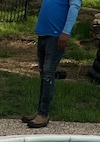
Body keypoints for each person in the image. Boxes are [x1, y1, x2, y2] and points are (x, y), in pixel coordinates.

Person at [22, 0, 82, 129]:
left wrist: (66, 32)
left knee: (48, 74)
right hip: (44, 33)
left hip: (56, 35)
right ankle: (40, 111)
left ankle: (43, 113)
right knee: (43, 73)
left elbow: (74, 8)